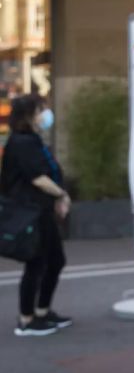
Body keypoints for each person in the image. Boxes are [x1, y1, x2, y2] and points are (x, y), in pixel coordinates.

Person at [0, 94, 72, 336]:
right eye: (42, 109)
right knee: (37, 263)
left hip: (40, 210)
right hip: (30, 212)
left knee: (54, 260)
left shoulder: (31, 139)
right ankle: (26, 319)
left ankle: (42, 311)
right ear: (29, 114)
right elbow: (38, 178)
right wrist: (61, 195)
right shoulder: (22, 143)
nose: (46, 114)